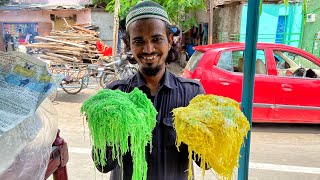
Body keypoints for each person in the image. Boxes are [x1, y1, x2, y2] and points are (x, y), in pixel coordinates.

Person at [92, 1, 205, 180]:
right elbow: (103, 165)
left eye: (156, 39)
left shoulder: (191, 95)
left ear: (169, 40)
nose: (148, 49)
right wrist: (110, 131)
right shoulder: (115, 95)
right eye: (138, 41)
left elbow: (205, 161)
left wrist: (218, 130)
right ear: (129, 45)